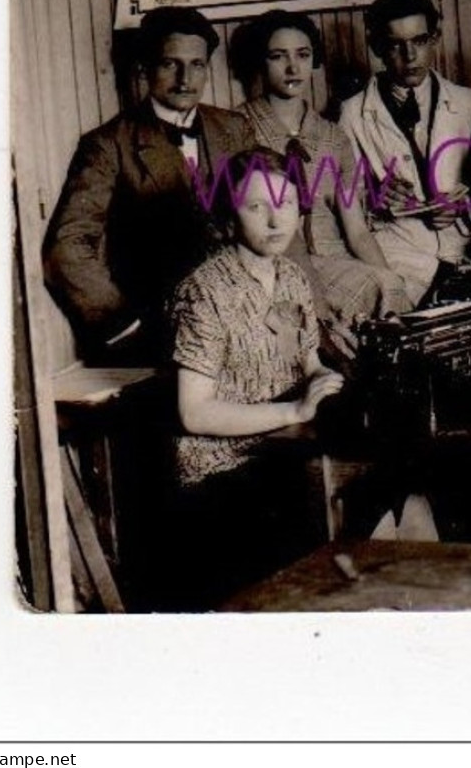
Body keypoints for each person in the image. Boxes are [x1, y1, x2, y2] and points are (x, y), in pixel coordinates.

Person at [154, 147, 345, 609]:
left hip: (283, 454)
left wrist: (326, 380)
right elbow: (193, 413)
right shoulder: (204, 292)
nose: (275, 220)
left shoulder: (293, 277)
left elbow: (307, 361)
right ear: (229, 211)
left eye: (284, 203)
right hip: (220, 475)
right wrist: (296, 409)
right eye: (256, 207)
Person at [43, 6, 253, 364]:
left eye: (197, 64)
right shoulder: (108, 144)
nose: (185, 78)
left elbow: (274, 217)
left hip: (244, 312)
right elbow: (67, 247)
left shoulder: (234, 129)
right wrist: (125, 326)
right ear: (144, 68)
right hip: (161, 328)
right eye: (170, 64)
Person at [230, 9, 410, 333]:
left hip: (334, 261)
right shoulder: (237, 128)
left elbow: (356, 230)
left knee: (388, 291)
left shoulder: (333, 137)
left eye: (303, 55)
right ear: (261, 61)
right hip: (271, 261)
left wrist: (392, 283)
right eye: (277, 56)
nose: (292, 67)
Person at [336, 0, 471, 305]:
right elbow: (348, 206)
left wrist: (463, 204)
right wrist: (376, 196)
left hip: (465, 253)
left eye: (419, 41)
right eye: (395, 45)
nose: (410, 55)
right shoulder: (350, 114)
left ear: (435, 39)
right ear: (377, 47)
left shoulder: (467, 102)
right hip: (399, 258)